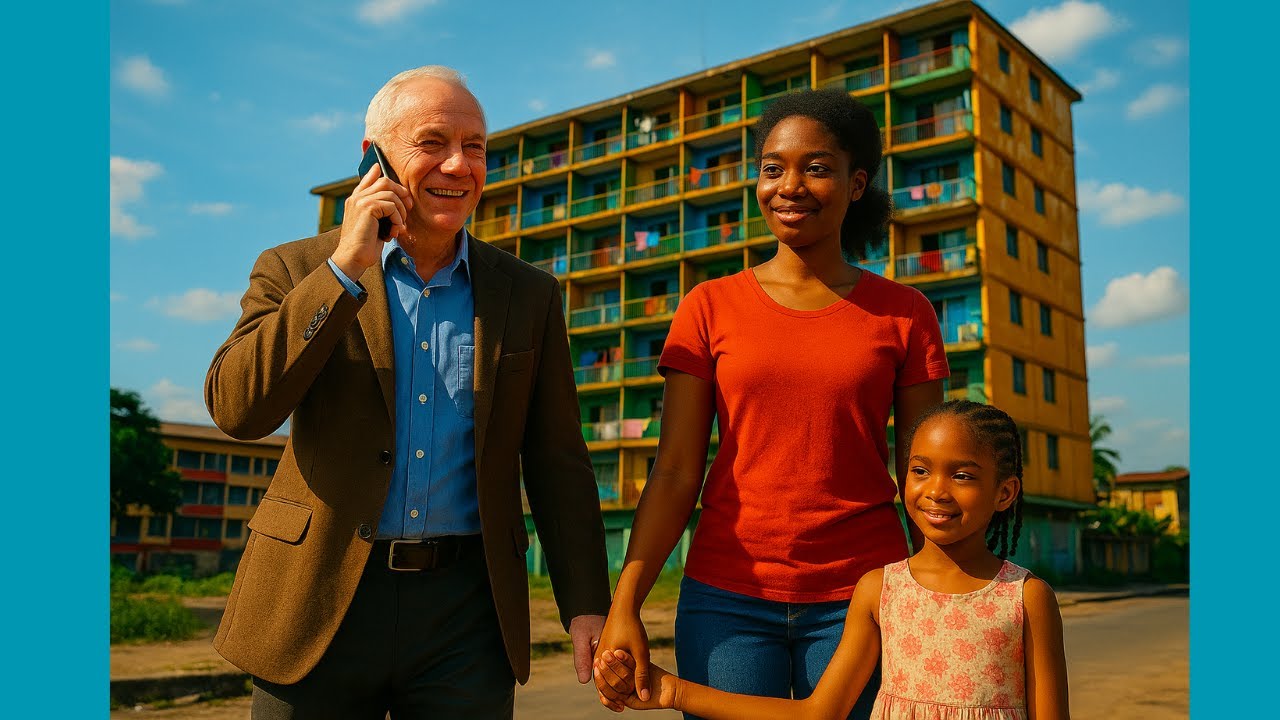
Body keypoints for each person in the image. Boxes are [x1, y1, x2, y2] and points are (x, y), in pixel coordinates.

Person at [204, 65, 611, 719]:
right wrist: (344, 268)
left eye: (474, 146)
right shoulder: (296, 269)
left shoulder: (529, 293)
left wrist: (587, 600)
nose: (459, 165)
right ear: (375, 157)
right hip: (317, 599)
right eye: (432, 142)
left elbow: (557, 458)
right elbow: (238, 409)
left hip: (467, 614)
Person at [594, 88, 950, 719]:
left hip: (865, 594)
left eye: (816, 168)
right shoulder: (708, 306)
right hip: (725, 598)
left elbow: (924, 475)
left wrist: (943, 590)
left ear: (856, 183)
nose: (790, 186)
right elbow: (674, 471)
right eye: (772, 168)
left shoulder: (905, 313)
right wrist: (626, 606)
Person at [596, 400, 1071, 720]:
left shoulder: (1026, 598)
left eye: (962, 475)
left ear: (1005, 492)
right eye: (920, 470)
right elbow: (817, 713)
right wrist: (673, 691)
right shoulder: (880, 591)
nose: (936, 491)